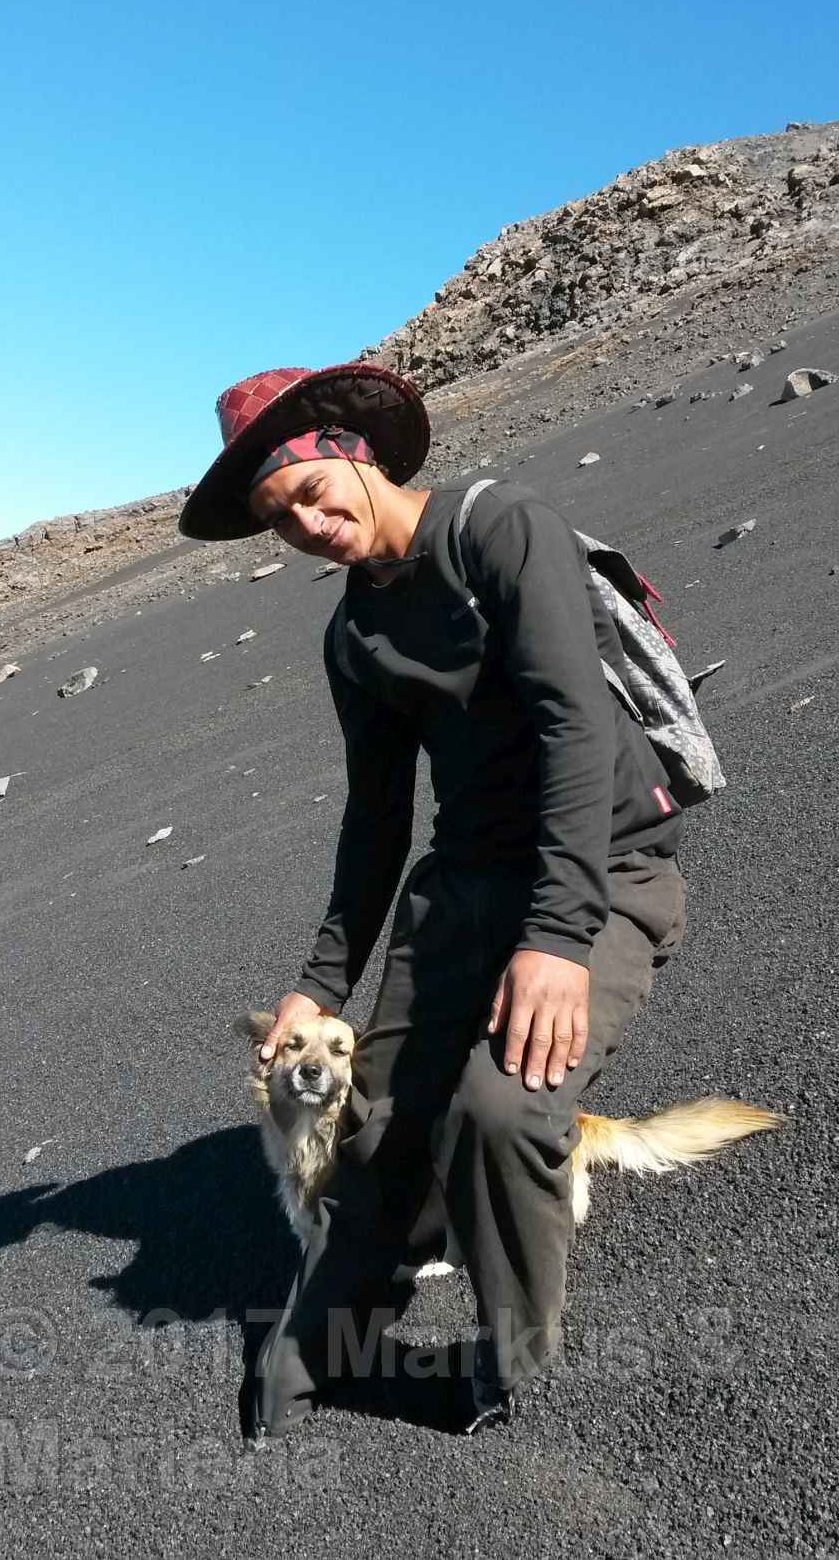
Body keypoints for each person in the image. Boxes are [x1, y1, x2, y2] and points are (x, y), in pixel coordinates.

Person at [179, 360, 688, 1439]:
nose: (307, 526)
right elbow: (376, 819)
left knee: (498, 1111)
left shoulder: (497, 528)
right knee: (374, 1128)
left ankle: (513, 1353)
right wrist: (318, 986)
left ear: (355, 455)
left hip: (603, 871)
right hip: (463, 883)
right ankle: (332, 1334)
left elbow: (571, 724)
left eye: (311, 493)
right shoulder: (352, 635)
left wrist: (556, 939)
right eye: (279, 519)